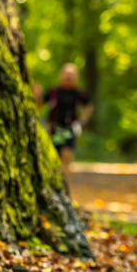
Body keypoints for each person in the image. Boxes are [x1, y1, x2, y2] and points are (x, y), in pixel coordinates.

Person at [43, 64, 94, 197]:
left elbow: (88, 105)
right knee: (54, 157)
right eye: (66, 73)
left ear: (76, 77)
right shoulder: (53, 92)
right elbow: (39, 102)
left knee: (66, 156)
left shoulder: (78, 93)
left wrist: (83, 121)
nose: (68, 77)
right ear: (61, 75)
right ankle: (53, 185)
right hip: (54, 129)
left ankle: (64, 187)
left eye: (71, 74)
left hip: (69, 129)